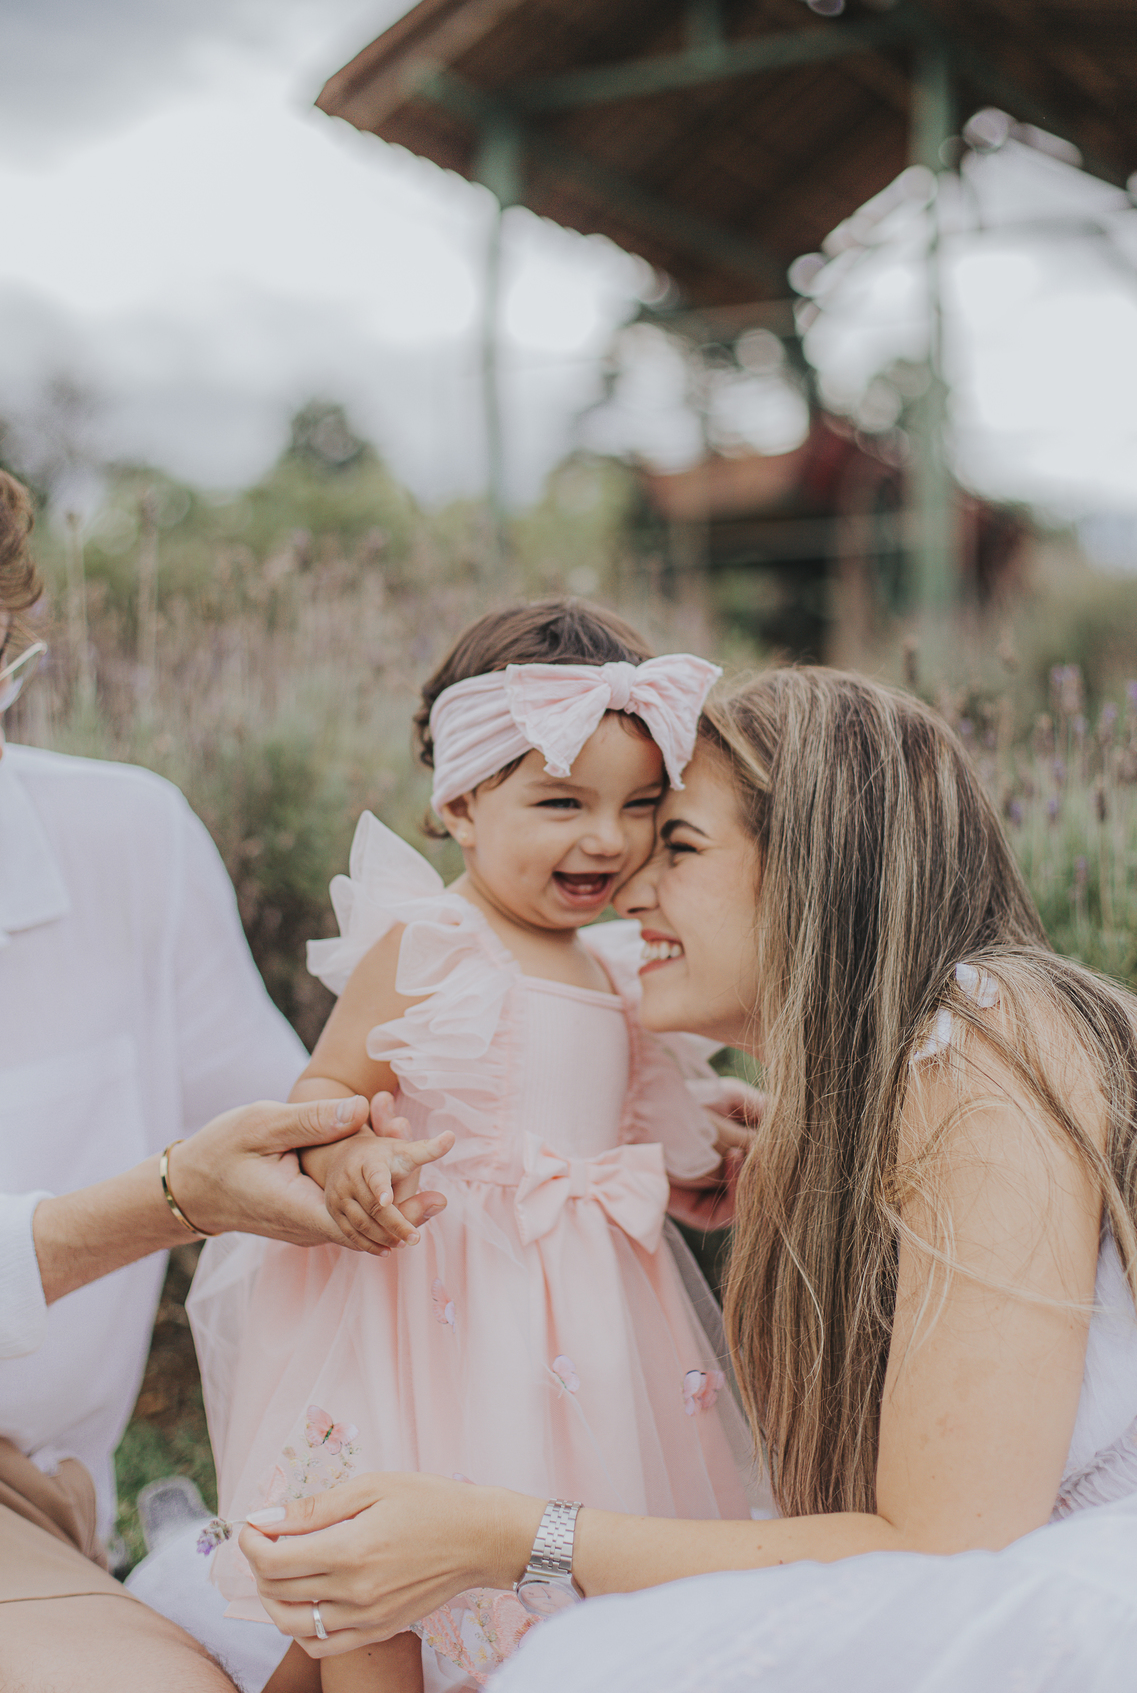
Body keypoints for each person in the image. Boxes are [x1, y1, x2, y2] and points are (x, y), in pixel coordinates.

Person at [239, 666, 1137, 1692]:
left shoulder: (992, 1052)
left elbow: (939, 1551)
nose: (629, 887)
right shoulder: (921, 1082)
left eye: (679, 844)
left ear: (820, 865)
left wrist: (510, 1538)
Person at [189, 601, 757, 1693]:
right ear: (459, 804)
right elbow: (326, 1093)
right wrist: (349, 1162)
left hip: (587, 1321)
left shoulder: (616, 965)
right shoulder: (436, 943)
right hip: (435, 1312)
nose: (608, 838)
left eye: (642, 806)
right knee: (374, 1592)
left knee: (544, 1588)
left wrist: (695, 1161)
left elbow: (619, 1123)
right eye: (562, 802)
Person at [0, 467, 447, 1693]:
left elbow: (289, 1124)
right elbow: (198, 1183)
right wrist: (164, 1201)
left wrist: (594, 1108)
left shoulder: (130, 840)